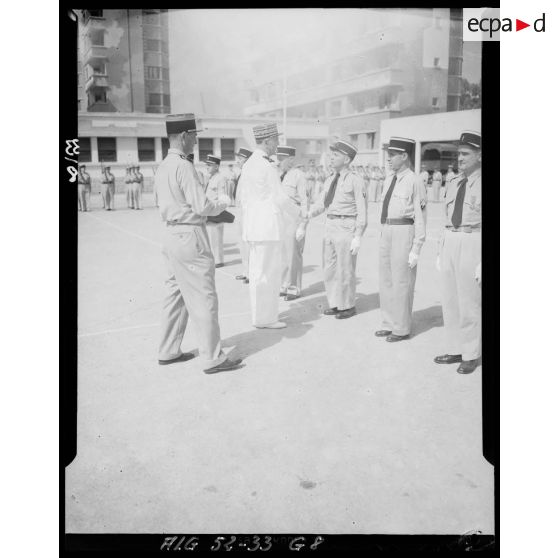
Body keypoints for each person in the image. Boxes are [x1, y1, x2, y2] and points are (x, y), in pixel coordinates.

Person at [155, 113, 241, 374]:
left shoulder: (163, 166)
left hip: (171, 235)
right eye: (193, 136)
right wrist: (224, 204)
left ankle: (168, 350)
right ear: (183, 136)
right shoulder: (184, 166)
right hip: (190, 235)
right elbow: (202, 205)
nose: (195, 141)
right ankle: (213, 357)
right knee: (204, 295)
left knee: (176, 294)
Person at [237, 123, 300, 329]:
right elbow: (280, 198)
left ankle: (259, 317)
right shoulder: (266, 165)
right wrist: (301, 213)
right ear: (267, 141)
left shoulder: (249, 164)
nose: (278, 144)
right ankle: (267, 319)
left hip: (255, 227)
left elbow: (244, 198)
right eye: (276, 140)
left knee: (257, 274)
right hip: (267, 228)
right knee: (268, 275)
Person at [302, 140, 367, 319]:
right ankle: (335, 303)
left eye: (335, 155)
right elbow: (322, 203)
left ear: (346, 159)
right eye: (331, 154)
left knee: (345, 269)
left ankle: (348, 305)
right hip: (330, 226)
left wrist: (358, 236)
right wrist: (309, 213)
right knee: (329, 269)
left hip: (346, 227)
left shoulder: (356, 180)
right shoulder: (331, 179)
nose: (331, 158)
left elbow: (362, 211)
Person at [434, 131, 482, 374]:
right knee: (450, 299)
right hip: (451, 239)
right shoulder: (453, 182)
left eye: (465, 154)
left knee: (469, 301)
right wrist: (441, 250)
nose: (459, 158)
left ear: (480, 155)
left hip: (472, 240)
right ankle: (454, 348)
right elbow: (445, 218)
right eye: (458, 153)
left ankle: (471, 353)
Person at [375, 137, 426, 342]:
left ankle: (402, 328)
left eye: (392, 155)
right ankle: (388, 322)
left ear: (404, 156)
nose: (388, 160)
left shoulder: (415, 180)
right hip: (387, 229)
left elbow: (421, 216)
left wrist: (417, 248)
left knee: (402, 281)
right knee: (386, 279)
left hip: (404, 230)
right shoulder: (389, 179)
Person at [277, 145, 308, 300]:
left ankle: (294, 289)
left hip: (294, 217)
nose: (279, 161)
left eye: (282, 159)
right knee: (283, 254)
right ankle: (284, 285)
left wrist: (303, 224)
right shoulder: (282, 174)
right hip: (283, 217)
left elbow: (304, 201)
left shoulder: (298, 175)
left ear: (291, 159)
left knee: (293, 255)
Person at [232, 147, 252, 283]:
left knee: (248, 243)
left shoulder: (249, 173)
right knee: (241, 243)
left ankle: (251, 273)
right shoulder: (242, 173)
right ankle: (246, 271)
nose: (237, 160)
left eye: (240, 158)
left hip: (247, 212)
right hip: (240, 211)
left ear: (246, 160)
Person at [204, 154, 228, 267]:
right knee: (210, 237)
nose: (207, 167)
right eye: (207, 165)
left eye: (210, 165)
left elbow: (222, 197)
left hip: (216, 213)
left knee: (216, 238)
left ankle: (218, 261)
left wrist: (217, 211)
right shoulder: (211, 177)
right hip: (209, 212)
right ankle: (214, 259)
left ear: (217, 166)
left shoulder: (220, 178)